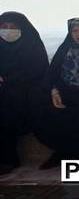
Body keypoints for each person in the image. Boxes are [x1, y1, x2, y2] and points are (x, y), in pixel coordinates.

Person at [35, 18, 79, 169]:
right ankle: (61, 152)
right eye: (75, 31)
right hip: (65, 91)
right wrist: (54, 91)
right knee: (45, 109)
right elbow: (52, 73)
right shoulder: (65, 49)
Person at [0, 12, 49, 175]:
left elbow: (38, 70)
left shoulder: (31, 44)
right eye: (4, 27)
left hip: (28, 88)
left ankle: (8, 159)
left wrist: (8, 79)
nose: (8, 30)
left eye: (13, 27)